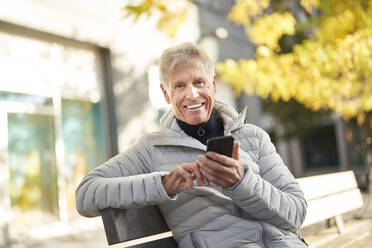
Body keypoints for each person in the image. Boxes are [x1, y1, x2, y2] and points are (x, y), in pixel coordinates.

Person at [75, 42, 308, 247]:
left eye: (199, 82)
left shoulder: (253, 137)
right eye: (179, 86)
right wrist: (164, 184)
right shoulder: (151, 149)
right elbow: (85, 194)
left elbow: (296, 213)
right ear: (166, 94)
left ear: (213, 85)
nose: (193, 94)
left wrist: (242, 183)